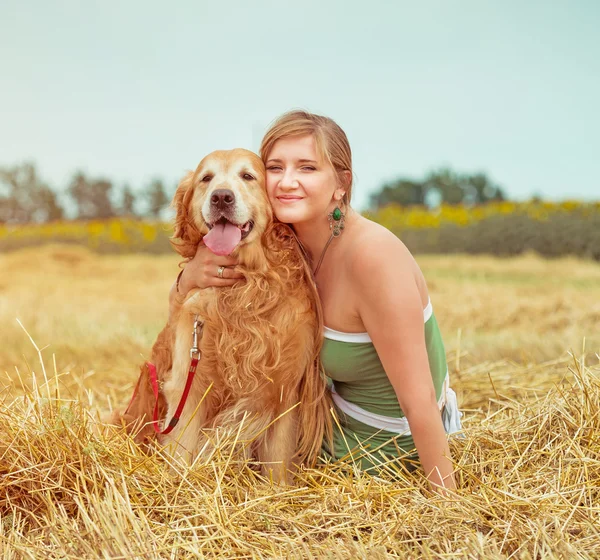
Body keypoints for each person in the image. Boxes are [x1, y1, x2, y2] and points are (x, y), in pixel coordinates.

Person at [171, 110, 461, 493]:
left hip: (380, 455)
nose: (287, 182)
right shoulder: (287, 253)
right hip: (323, 434)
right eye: (275, 167)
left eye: (307, 168)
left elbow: (421, 401)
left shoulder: (374, 258)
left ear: (341, 184)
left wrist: (450, 507)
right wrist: (187, 278)